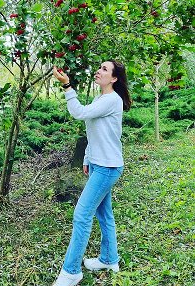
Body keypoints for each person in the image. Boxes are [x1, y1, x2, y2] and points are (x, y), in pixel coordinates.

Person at [52, 60, 132, 286]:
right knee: (104, 215)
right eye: (100, 67)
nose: (99, 71)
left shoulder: (111, 100)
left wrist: (67, 86)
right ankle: (109, 259)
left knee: (81, 214)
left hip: (107, 168)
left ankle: (71, 272)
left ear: (114, 78)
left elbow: (79, 113)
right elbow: (94, 131)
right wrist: (87, 157)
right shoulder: (101, 98)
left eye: (105, 69)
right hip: (98, 165)